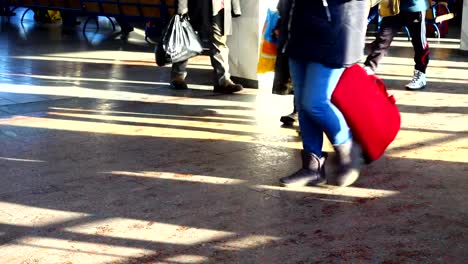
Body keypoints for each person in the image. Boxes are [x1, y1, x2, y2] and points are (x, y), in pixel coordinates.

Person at [278, 0, 368, 187]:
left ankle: (349, 150)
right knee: (303, 105)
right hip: (298, 30)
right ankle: (312, 168)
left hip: (335, 31)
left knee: (315, 102)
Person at [171, 0, 243, 94]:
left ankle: (223, 80)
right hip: (197, 6)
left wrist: (235, 7)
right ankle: (177, 76)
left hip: (220, 6)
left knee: (219, 42)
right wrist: (181, 9)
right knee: (186, 38)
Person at [364, 0, 430, 90]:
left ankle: (421, 73)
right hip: (394, 6)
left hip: (416, 6)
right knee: (383, 38)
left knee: (419, 42)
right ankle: (369, 68)